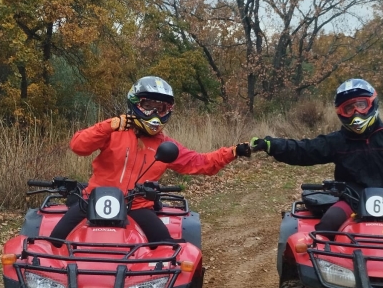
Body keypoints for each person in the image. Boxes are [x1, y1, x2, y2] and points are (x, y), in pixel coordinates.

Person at [50, 76, 250, 245]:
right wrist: (108, 126)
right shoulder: (114, 131)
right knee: (55, 241)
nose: (155, 114)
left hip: (137, 206)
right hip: (94, 200)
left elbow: (200, 162)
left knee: (166, 250)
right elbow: (78, 146)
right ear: (135, 104)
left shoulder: (166, 145)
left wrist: (232, 152)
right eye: (149, 106)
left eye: (161, 108)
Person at [250, 78, 383, 238]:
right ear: (340, 113)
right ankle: (313, 283)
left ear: (372, 104)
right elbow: (304, 150)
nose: (356, 113)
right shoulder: (338, 141)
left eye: (361, 105)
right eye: (348, 108)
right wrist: (271, 145)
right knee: (325, 229)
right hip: (350, 201)